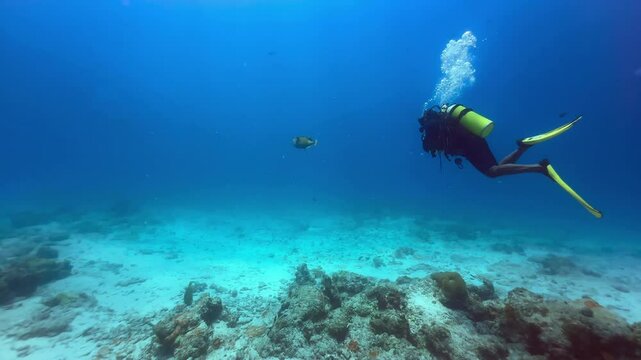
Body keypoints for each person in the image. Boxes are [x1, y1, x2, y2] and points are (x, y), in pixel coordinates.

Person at [418, 104, 602, 218]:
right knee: (496, 167)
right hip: (475, 138)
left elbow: (432, 147)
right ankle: (523, 146)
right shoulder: (445, 121)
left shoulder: (432, 128)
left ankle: (540, 168)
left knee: (491, 172)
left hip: (468, 144)